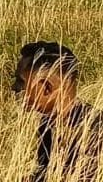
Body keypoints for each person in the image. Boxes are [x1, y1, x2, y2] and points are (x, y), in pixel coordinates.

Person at [14, 41, 103, 182]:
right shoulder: (49, 124)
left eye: (20, 82)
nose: (14, 88)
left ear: (47, 87)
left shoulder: (93, 132)